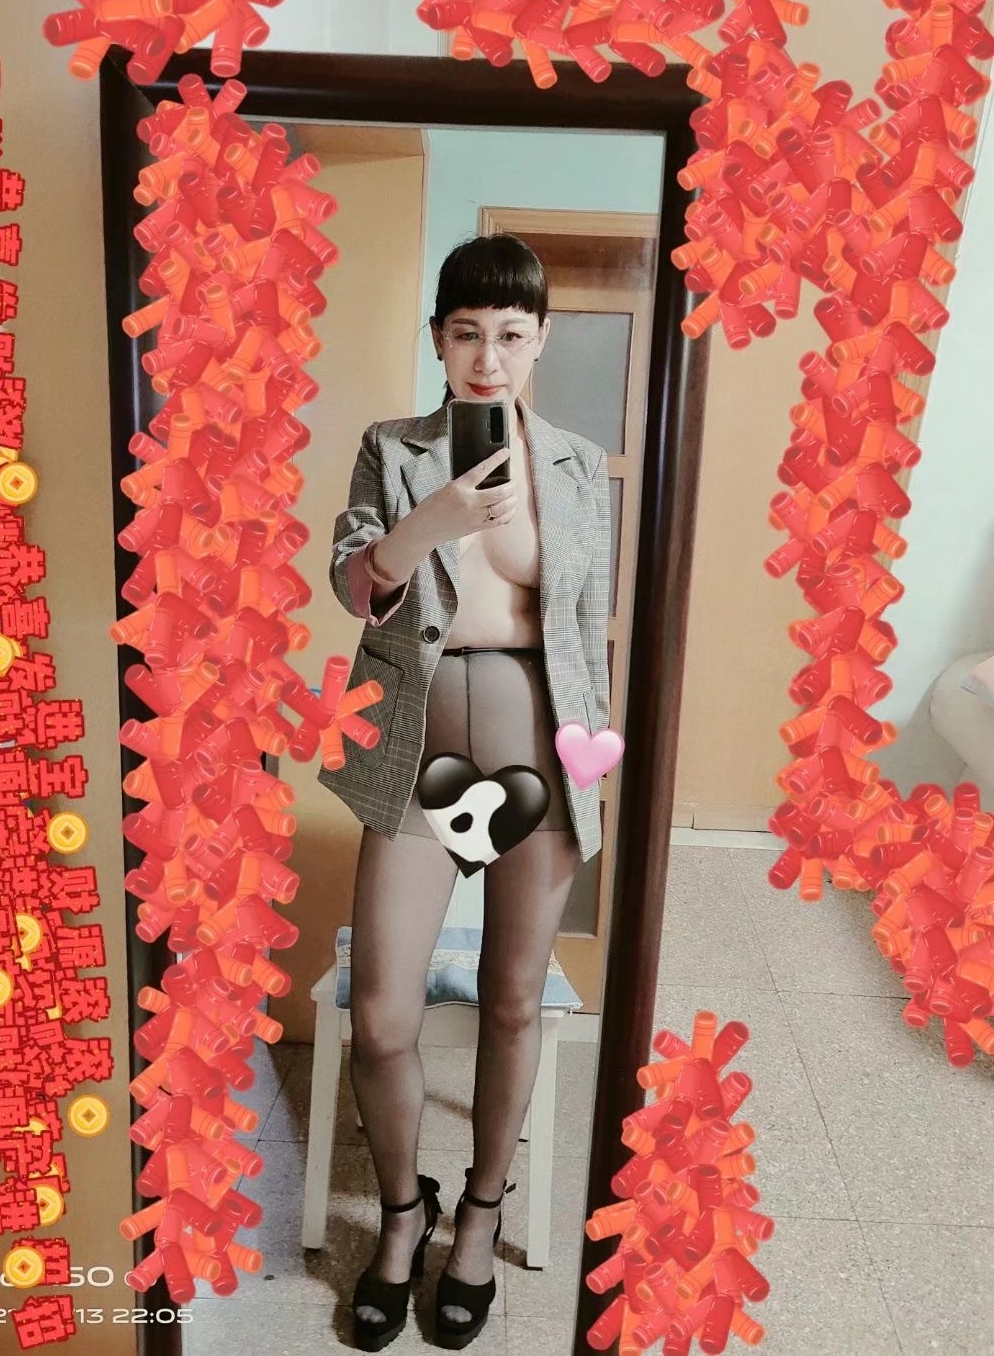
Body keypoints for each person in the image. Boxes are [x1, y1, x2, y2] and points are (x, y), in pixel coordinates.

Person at [319, 233, 612, 1351]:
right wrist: (423, 529)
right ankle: (406, 1211)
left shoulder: (577, 467)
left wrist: (598, 762)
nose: (488, 358)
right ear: (438, 339)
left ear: (540, 341)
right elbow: (354, 588)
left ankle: (480, 1216)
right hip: (416, 759)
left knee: (512, 999)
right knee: (382, 1018)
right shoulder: (391, 449)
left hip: (539, 755)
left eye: (510, 335)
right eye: (466, 333)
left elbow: (583, 627)